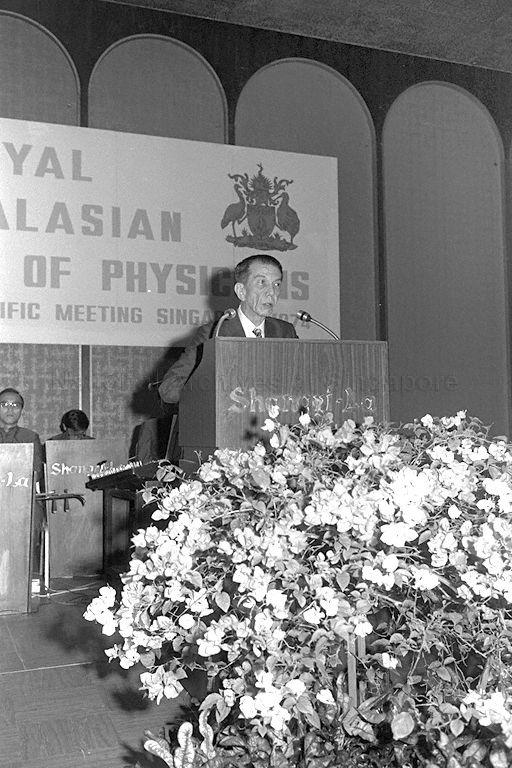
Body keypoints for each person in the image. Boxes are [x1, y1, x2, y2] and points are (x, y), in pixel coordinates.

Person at [159, 254, 298, 404]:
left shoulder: (285, 332)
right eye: (262, 282)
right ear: (241, 291)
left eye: (276, 284)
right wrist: (222, 392)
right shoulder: (213, 333)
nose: (271, 292)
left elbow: (303, 381)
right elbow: (169, 389)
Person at [0, 387, 44, 484]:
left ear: (21, 410)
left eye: (16, 405)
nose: (10, 409)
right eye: (4, 404)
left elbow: (36, 473)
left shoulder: (30, 437)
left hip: (21, 490)